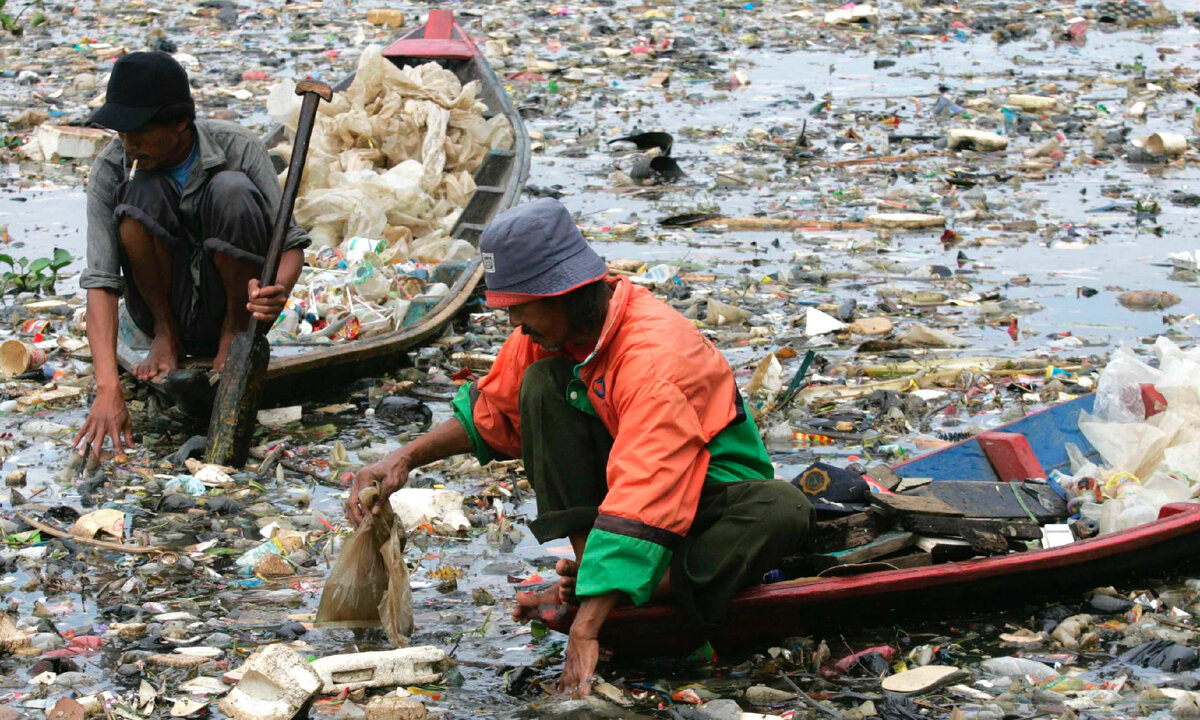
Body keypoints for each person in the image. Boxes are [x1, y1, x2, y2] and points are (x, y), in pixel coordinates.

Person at [346, 198, 814, 697]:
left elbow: (646, 489)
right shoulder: (548, 336)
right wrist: (402, 459)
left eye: (519, 310)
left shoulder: (652, 358)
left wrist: (586, 625)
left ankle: (627, 585)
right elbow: (494, 414)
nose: (515, 326)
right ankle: (596, 572)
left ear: (563, 294)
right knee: (542, 385)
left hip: (707, 504)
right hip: (635, 508)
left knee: (782, 507)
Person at [73, 52, 309, 457]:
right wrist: (108, 386)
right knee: (140, 192)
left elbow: (289, 246)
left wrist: (277, 291)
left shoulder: (240, 148)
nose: (128, 146)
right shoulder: (112, 168)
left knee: (230, 190)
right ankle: (167, 335)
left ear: (179, 121)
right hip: (162, 307)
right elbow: (101, 282)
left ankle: (230, 335)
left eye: (140, 133)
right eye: (121, 133)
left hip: (236, 306)